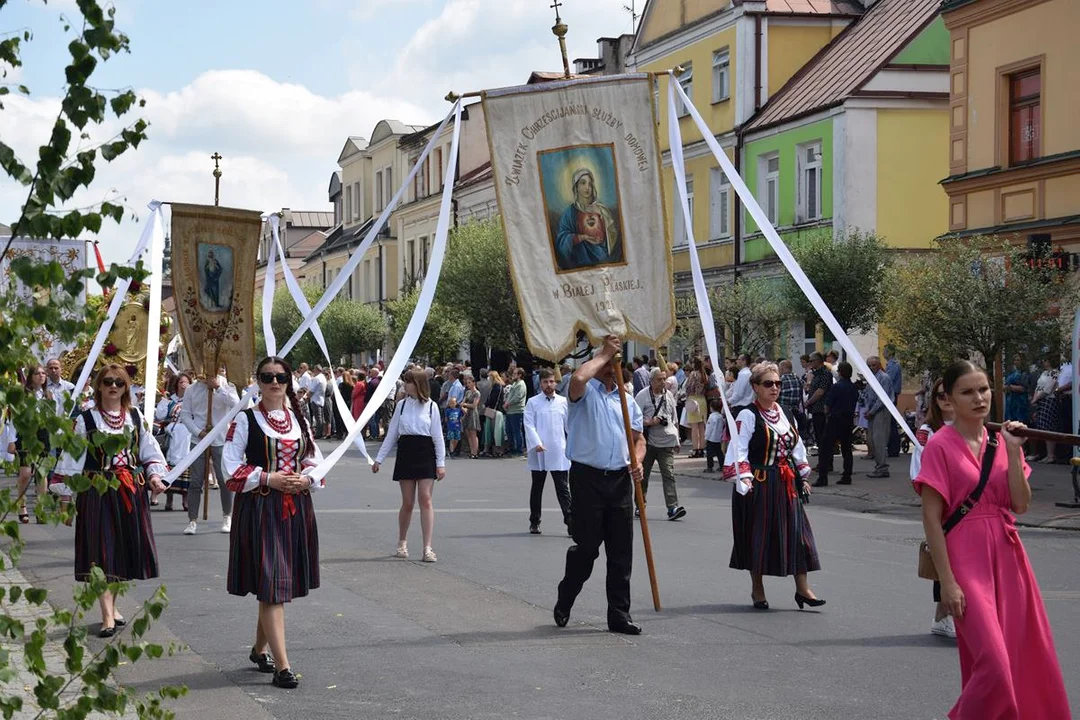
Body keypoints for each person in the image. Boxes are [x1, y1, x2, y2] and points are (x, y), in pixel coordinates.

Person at [914, 360, 1069, 718]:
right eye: (967, 392)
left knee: (1025, 655)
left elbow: (1021, 504)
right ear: (947, 400)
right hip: (966, 560)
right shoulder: (940, 445)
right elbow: (931, 520)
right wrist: (948, 582)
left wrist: (1014, 450)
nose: (979, 398)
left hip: (1008, 555)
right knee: (994, 665)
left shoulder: (1002, 442)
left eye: (983, 389)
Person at [223, 356, 324, 690]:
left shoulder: (299, 420)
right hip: (261, 509)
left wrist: (305, 480)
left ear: (288, 380)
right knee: (271, 584)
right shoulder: (245, 420)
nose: (274, 383)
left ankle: (258, 650)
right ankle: (283, 666)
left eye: (280, 377)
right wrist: (269, 477)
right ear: (258, 381)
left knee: (276, 584)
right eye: (267, 377)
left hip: (295, 508)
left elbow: (313, 460)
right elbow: (230, 469)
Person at [54, 364, 168, 637]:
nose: (113, 386)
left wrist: (154, 477)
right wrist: (66, 501)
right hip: (97, 492)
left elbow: (149, 452)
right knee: (101, 552)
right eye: (108, 382)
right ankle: (107, 616)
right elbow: (71, 462)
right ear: (99, 386)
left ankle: (112, 608)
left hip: (130, 493)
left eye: (119, 382)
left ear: (126, 386)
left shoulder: (135, 417)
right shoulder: (86, 420)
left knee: (122, 553)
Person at [554, 335, 645, 636]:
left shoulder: (627, 400)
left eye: (615, 363)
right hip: (587, 478)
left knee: (621, 552)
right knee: (588, 548)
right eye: (606, 364)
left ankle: (619, 614)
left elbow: (638, 438)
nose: (611, 369)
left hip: (619, 479)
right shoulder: (584, 393)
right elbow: (579, 378)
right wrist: (604, 352)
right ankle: (567, 593)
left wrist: (639, 459)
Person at [723, 362, 824, 611]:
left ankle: (803, 589)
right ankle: (757, 589)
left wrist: (803, 476)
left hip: (785, 482)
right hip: (758, 482)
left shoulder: (787, 413)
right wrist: (744, 477)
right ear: (756, 387)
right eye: (768, 383)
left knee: (798, 534)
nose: (774, 388)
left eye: (777, 383)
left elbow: (797, 448)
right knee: (758, 536)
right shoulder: (747, 415)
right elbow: (739, 449)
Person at [373, 369, 446, 563]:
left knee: (426, 499)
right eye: (405, 382)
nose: (405, 385)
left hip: (425, 452)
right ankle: (402, 542)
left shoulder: (432, 407)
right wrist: (379, 459)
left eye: (409, 382)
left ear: (419, 384)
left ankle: (427, 548)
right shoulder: (401, 406)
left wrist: (441, 463)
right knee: (407, 502)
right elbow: (392, 434)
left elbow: (438, 437)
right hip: (406, 452)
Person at [909, 377, 956, 639]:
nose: (947, 400)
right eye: (940, 396)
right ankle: (944, 615)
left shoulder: (975, 428)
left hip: (973, 506)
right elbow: (919, 467)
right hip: (945, 504)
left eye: (951, 393)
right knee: (945, 559)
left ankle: (946, 615)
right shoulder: (929, 431)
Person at [180, 372, 241, 535]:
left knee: (224, 480)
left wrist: (218, 387)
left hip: (220, 438)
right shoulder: (192, 389)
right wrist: (198, 432)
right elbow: (185, 414)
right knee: (195, 481)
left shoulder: (228, 386)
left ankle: (227, 515)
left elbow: (237, 405)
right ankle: (192, 520)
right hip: (198, 439)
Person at [524, 368, 571, 534]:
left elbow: (569, 426)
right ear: (541, 383)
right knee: (537, 487)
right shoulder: (533, 402)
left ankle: (570, 522)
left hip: (558, 448)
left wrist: (572, 444)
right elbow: (528, 424)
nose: (549, 385)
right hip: (539, 450)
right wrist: (536, 442)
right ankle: (534, 521)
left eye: (551, 381)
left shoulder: (563, 402)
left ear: (555, 382)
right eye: (545, 382)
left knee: (563, 488)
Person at [634, 367, 685, 520]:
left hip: (666, 442)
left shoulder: (669, 395)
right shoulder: (642, 396)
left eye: (664, 379)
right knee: (644, 476)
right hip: (647, 443)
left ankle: (672, 507)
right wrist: (650, 422)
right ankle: (640, 505)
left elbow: (674, 419)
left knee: (668, 474)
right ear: (651, 380)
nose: (663, 382)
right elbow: (633, 421)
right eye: (659, 379)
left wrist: (677, 439)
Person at [554, 169, 621, 270]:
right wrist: (582, 237)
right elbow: (561, 240)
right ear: (576, 187)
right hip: (579, 261)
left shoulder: (601, 209)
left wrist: (603, 218)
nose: (587, 188)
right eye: (583, 183)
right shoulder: (569, 213)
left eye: (590, 184)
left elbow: (612, 237)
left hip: (602, 259)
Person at [14, 365, 53, 524]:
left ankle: (40, 508)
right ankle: (21, 505)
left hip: (43, 435)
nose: (41, 376)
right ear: (30, 376)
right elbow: (14, 417)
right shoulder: (23, 395)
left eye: (44, 373)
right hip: (26, 434)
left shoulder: (48, 395)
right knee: (25, 473)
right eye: (37, 373)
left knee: (41, 473)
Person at [814, 361, 859, 487]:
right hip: (848, 420)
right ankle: (847, 475)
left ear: (840, 372)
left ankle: (823, 477)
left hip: (835, 419)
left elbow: (828, 405)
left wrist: (827, 413)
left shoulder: (836, 387)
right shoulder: (853, 387)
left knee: (825, 448)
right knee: (846, 449)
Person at [153, 372, 192, 512]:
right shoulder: (171, 400)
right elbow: (160, 415)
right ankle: (169, 499)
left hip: (187, 435)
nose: (184, 385)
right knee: (170, 464)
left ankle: (185, 499)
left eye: (186, 382)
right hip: (173, 435)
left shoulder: (193, 400)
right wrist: (164, 401)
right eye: (181, 382)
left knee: (186, 463)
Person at [863, 356, 894, 479]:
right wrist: (867, 409)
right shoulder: (871, 378)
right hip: (872, 411)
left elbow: (882, 398)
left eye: (873, 365)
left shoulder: (884, 378)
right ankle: (879, 466)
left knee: (879, 440)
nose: (871, 368)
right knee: (873, 440)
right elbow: (867, 395)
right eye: (869, 366)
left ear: (879, 365)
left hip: (881, 411)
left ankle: (882, 467)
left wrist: (872, 411)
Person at [1028, 357, 1059, 463]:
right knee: (1042, 426)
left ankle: (1051, 455)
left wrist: (1036, 398)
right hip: (1040, 400)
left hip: (1049, 400)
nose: (1043, 362)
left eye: (1045, 360)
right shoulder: (1044, 373)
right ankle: (1047, 454)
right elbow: (1039, 387)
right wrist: (1035, 398)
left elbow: (1048, 389)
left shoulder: (1054, 373)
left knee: (1048, 427)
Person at [804, 352, 833, 450]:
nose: (810, 363)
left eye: (811, 361)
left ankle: (825, 464)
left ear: (818, 361)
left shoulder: (825, 373)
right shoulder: (816, 374)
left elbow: (820, 391)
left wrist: (809, 402)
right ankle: (822, 463)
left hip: (821, 409)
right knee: (819, 437)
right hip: (815, 409)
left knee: (823, 438)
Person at [683, 359, 708, 458]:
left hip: (693, 400)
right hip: (702, 400)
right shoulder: (704, 374)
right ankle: (702, 449)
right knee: (701, 427)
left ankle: (695, 449)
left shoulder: (693, 374)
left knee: (694, 428)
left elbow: (689, 387)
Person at [503, 368, 527, 457]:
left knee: (517, 431)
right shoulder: (515, 384)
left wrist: (508, 403)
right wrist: (506, 403)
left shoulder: (521, 384)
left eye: (515, 373)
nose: (513, 375)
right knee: (509, 431)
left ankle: (519, 450)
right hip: (510, 411)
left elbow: (518, 397)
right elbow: (510, 395)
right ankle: (512, 449)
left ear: (520, 375)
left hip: (517, 411)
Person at [884, 347, 903, 457]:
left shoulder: (892, 365)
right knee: (890, 422)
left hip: (891, 396)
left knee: (891, 423)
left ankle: (893, 448)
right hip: (892, 395)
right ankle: (892, 447)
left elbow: (888, 380)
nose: (883, 353)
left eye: (884, 351)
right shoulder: (892, 365)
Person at [483, 371, 506, 457]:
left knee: (497, 432)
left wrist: (487, 406)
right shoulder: (494, 386)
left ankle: (498, 450)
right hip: (492, 410)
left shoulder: (497, 386)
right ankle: (492, 449)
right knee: (490, 431)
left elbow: (494, 400)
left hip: (495, 411)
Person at [1002, 354, 1030, 424]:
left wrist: (1009, 387)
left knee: (1018, 422)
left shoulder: (1024, 374)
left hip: (1019, 402)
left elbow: (1023, 388)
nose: (1016, 362)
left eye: (1018, 360)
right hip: (1010, 401)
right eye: (1015, 360)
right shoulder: (1012, 372)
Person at [460, 374, 482, 459]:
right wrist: (463, 407)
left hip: (473, 413)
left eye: (469, 383)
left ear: (474, 383)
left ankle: (475, 452)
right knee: (468, 433)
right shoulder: (468, 392)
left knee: (473, 433)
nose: (468, 384)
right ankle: (471, 451)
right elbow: (462, 402)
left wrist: (464, 404)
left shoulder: (477, 393)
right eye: (467, 383)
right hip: (466, 413)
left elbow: (474, 405)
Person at [704, 399, 724, 474]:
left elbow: (709, 428)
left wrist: (706, 437)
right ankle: (722, 465)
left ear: (711, 407)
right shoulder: (720, 417)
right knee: (719, 452)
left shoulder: (711, 417)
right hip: (718, 438)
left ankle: (710, 467)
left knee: (709, 453)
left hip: (711, 438)